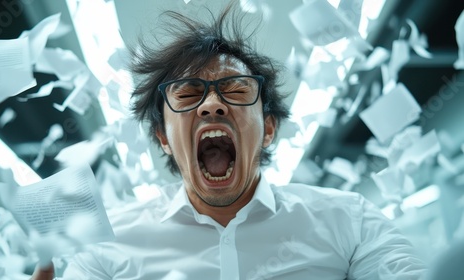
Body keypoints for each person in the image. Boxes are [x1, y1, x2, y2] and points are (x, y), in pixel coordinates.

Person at [32, 2, 427, 279]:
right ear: (162, 138)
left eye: (235, 91)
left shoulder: (349, 222)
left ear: (269, 128)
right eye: (188, 95)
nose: (212, 105)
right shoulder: (108, 247)